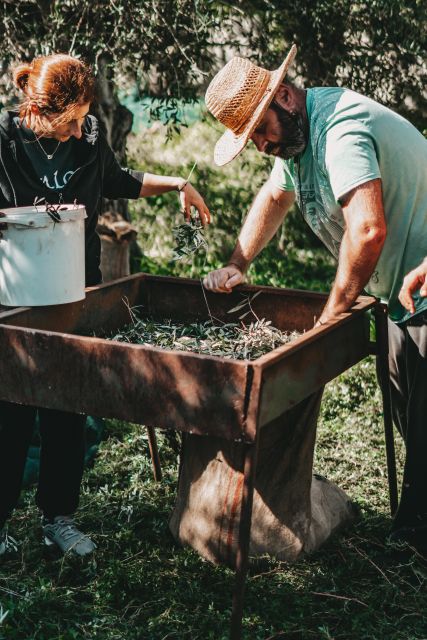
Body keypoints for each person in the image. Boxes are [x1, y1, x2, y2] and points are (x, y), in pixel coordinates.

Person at [203, 45, 427, 554]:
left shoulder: (340, 129)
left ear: (285, 96)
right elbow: (274, 197)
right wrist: (239, 262)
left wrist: (333, 312)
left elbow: (367, 231)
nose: (261, 145)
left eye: (261, 129)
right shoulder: (296, 141)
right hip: (399, 292)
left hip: (425, 277)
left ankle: (413, 542)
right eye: (251, 138)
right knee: (409, 409)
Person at [0, 53, 210, 558]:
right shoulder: (4, 138)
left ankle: (58, 520)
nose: (77, 131)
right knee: (10, 412)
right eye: (68, 121)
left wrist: (178, 184)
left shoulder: (90, 135)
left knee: (68, 406)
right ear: (37, 109)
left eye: (81, 119)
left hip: (78, 296)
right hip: (14, 302)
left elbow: (117, 180)